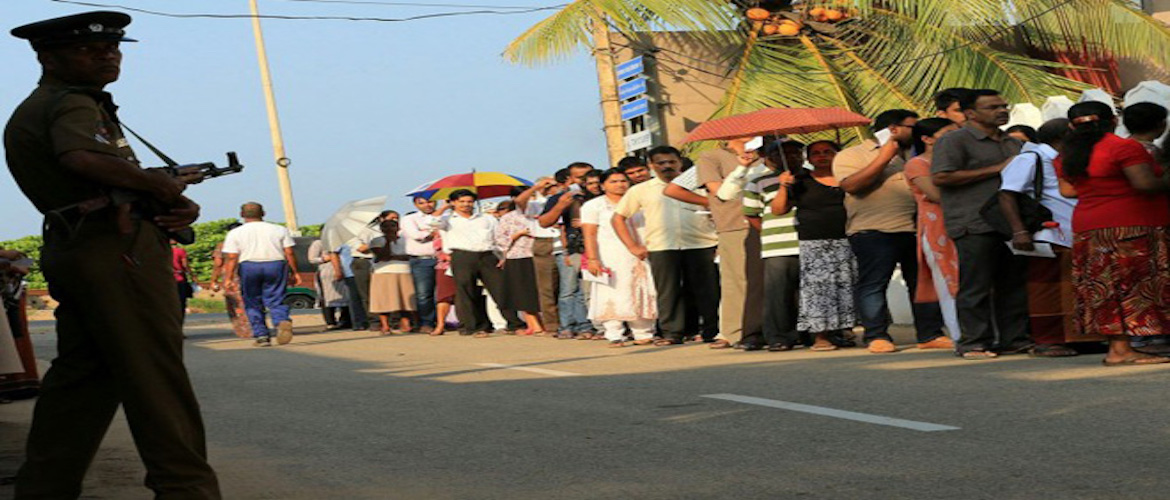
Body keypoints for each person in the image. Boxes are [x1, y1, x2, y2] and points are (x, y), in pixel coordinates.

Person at [4, 11, 220, 497]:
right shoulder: (72, 103)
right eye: (90, 49)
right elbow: (82, 158)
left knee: (84, 380)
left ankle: (44, 488)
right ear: (48, 56)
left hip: (81, 245)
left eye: (114, 47)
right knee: (156, 377)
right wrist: (161, 186)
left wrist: (161, 195)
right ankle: (188, 490)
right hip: (115, 249)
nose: (108, 55)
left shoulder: (46, 106)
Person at [1056, 101, 1170, 366]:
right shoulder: (1123, 147)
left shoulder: (1067, 154)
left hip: (1089, 226)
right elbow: (1145, 184)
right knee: (1134, 285)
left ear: (1072, 126)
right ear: (1114, 121)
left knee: (1105, 287)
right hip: (1132, 223)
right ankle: (1122, 351)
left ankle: (1119, 348)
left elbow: (1068, 191)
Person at [835, 109, 949, 353]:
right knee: (874, 284)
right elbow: (851, 186)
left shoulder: (917, 154)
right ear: (894, 129)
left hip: (917, 229)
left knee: (922, 283)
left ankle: (930, 333)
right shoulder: (852, 154)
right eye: (912, 126)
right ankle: (876, 335)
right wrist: (884, 157)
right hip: (873, 231)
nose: (917, 132)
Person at [932, 89, 1030, 359]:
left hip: (1011, 223)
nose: (1001, 110)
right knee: (976, 284)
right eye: (992, 107)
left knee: (1013, 283)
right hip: (973, 221)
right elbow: (941, 177)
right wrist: (997, 168)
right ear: (971, 113)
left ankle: (1014, 338)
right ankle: (974, 341)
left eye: (1003, 105)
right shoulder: (954, 141)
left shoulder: (1013, 142)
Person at [614, 146, 720, 346]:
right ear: (651, 166)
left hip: (702, 243)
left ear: (680, 162)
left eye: (671, 162)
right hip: (662, 246)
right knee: (668, 291)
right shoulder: (640, 190)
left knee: (707, 290)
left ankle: (710, 331)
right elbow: (618, 218)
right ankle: (672, 333)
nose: (667, 166)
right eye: (661, 163)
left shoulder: (700, 184)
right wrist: (632, 246)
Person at [998, 118, 1080, 357]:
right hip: (1048, 231)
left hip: (1073, 231)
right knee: (1046, 289)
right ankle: (1047, 339)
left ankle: (1075, 337)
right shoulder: (1031, 158)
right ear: (1062, 137)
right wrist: (1019, 230)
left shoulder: (1067, 159)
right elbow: (1007, 194)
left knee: (1072, 288)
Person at [771, 141, 857, 351]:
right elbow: (778, 209)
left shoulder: (851, 178)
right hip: (814, 243)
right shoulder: (799, 180)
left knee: (847, 286)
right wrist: (783, 185)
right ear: (808, 159)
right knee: (818, 291)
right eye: (816, 153)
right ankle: (820, 337)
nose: (822, 156)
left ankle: (845, 331)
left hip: (850, 239)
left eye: (828, 152)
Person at [691, 136, 766, 350]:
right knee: (738, 279)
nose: (752, 135)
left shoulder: (767, 155)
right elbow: (716, 189)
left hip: (769, 220)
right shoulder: (711, 156)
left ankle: (776, 327)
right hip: (734, 222)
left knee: (774, 277)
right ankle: (733, 331)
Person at [743, 140, 807, 351]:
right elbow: (751, 214)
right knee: (778, 294)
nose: (791, 157)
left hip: (812, 242)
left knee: (810, 292)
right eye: (783, 154)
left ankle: (810, 334)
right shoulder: (757, 182)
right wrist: (770, 231)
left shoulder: (812, 177)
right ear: (770, 159)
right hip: (779, 245)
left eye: (796, 153)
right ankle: (779, 336)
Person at [433, 189, 525, 337]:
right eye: (461, 201)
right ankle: (472, 327)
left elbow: (498, 238)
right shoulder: (448, 219)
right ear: (454, 203)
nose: (466, 205)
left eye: (469, 201)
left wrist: (503, 256)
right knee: (466, 292)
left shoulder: (487, 218)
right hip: (462, 255)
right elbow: (431, 222)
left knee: (500, 289)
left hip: (487, 255)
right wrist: (445, 207)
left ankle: (515, 324)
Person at [581, 169, 657, 347]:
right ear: (602, 185)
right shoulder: (594, 206)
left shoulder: (638, 201)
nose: (620, 185)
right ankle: (614, 333)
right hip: (610, 254)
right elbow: (589, 234)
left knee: (642, 288)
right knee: (613, 290)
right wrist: (592, 258)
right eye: (613, 182)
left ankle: (643, 332)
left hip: (641, 253)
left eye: (623, 181)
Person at [904, 118, 963, 343]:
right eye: (948, 133)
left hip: (966, 222)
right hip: (937, 227)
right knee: (948, 281)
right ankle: (960, 335)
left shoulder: (961, 160)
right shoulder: (917, 164)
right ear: (927, 139)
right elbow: (936, 195)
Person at [1119, 102, 1170, 354]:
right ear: (1161, 124)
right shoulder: (1138, 151)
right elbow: (1147, 184)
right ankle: (1144, 333)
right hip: (1144, 220)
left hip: (1142, 220)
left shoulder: (1125, 148)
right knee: (1146, 278)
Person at [223, 202, 302, 347]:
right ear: (263, 213)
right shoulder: (279, 229)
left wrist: (228, 278)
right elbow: (289, 252)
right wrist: (295, 272)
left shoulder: (235, 233)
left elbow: (232, 257)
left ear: (242, 215)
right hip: (276, 264)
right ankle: (281, 320)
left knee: (252, 301)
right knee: (276, 298)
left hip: (249, 266)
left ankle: (262, 336)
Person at [539, 163, 596, 339]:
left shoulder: (598, 194)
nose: (585, 181)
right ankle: (567, 326)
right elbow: (544, 222)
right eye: (580, 178)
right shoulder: (562, 197)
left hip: (600, 246)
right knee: (570, 289)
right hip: (574, 248)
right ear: (570, 179)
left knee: (588, 290)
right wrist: (561, 205)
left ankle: (588, 325)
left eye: (589, 176)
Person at [513, 179, 561, 334]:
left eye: (553, 185)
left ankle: (572, 322)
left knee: (568, 288)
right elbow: (520, 201)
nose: (550, 189)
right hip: (544, 243)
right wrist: (536, 187)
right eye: (547, 186)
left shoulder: (566, 199)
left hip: (564, 243)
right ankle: (553, 324)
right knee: (547, 288)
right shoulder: (535, 204)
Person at [492, 200, 544, 334]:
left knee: (537, 292)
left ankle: (540, 323)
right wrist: (519, 234)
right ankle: (534, 325)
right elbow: (501, 241)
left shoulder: (537, 213)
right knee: (523, 293)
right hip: (517, 257)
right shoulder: (507, 218)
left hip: (539, 254)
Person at [399, 197, 440, 334]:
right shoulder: (410, 219)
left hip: (443, 259)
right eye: (422, 203)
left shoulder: (445, 216)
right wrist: (433, 232)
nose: (427, 205)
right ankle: (427, 322)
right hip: (422, 260)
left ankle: (442, 321)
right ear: (415, 204)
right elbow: (416, 235)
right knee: (424, 294)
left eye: (430, 201)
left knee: (444, 294)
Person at [349, 209, 395, 331]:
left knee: (385, 292)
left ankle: (390, 320)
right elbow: (361, 248)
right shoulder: (353, 231)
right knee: (366, 294)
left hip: (381, 261)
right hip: (362, 261)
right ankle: (374, 321)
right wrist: (378, 244)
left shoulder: (380, 228)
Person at [369, 219, 416, 334]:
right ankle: (385, 326)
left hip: (404, 271)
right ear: (381, 229)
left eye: (392, 226)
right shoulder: (376, 241)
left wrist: (395, 256)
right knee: (383, 300)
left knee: (405, 299)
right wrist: (388, 242)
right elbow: (382, 256)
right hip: (383, 272)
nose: (389, 229)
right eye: (386, 227)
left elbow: (410, 255)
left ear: (398, 228)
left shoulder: (406, 240)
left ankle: (405, 323)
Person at [211, 221, 251, 338]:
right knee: (252, 302)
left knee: (234, 304)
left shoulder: (223, 245)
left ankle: (242, 330)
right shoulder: (250, 244)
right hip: (249, 275)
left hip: (231, 279)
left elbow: (218, 264)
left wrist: (214, 280)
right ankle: (258, 327)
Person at [308, 238, 351, 331]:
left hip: (345, 271)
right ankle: (330, 322)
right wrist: (324, 258)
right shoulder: (318, 243)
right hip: (326, 273)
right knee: (327, 298)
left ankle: (345, 320)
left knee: (346, 296)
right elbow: (312, 259)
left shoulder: (342, 242)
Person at [431, 232, 456, 336]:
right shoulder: (442, 233)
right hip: (445, 267)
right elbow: (440, 252)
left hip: (467, 265)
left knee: (466, 296)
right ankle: (440, 325)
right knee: (444, 296)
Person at [171, 239, 193, 323]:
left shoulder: (159, 251)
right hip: (179, 279)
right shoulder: (180, 251)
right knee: (181, 303)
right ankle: (179, 326)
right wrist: (193, 276)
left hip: (165, 281)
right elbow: (185, 265)